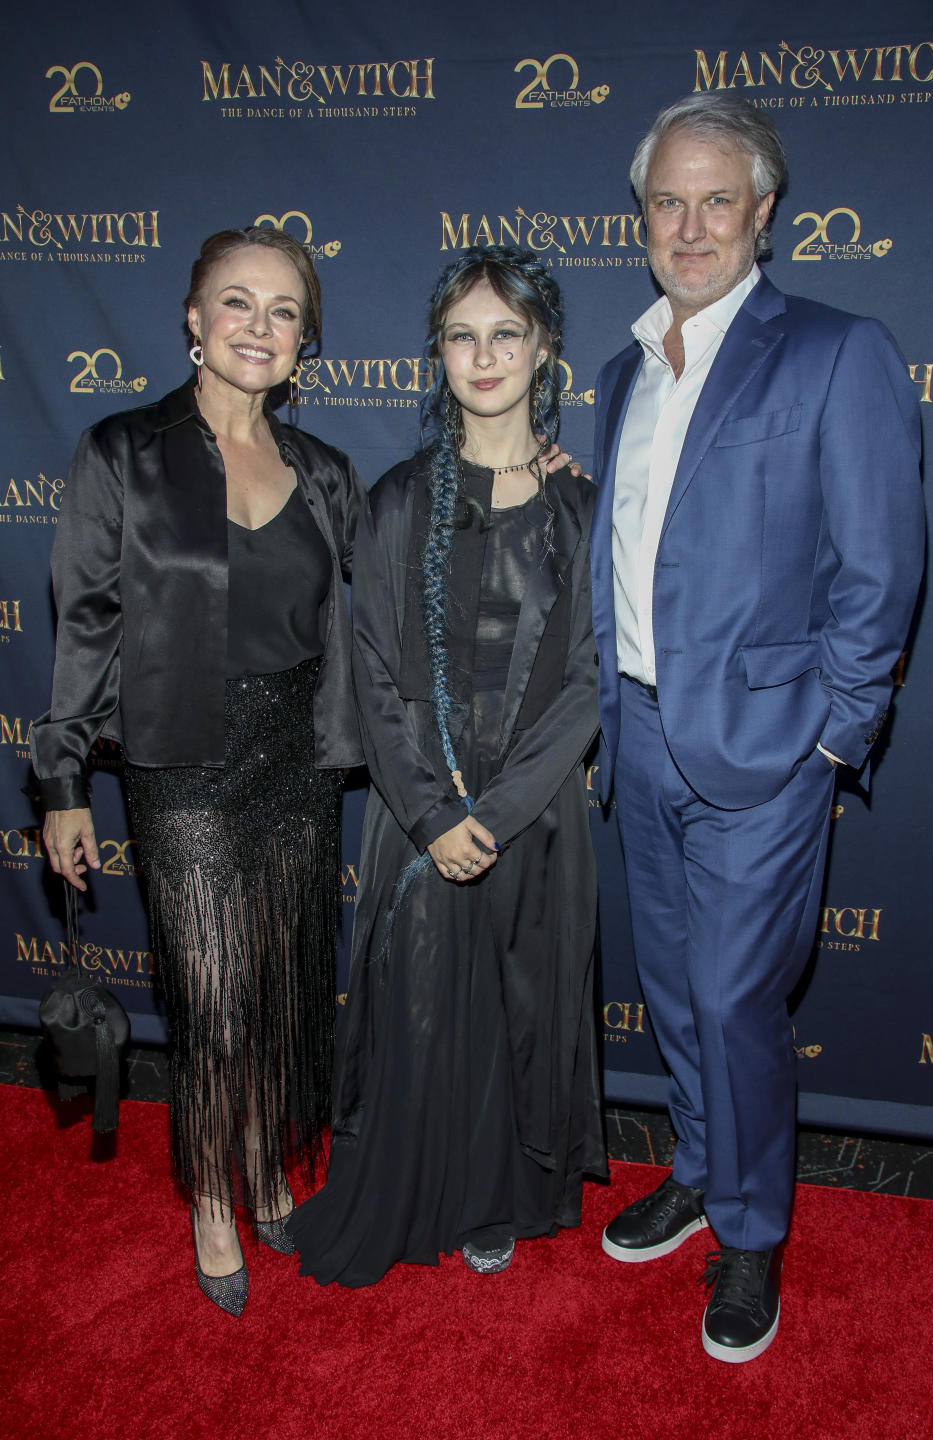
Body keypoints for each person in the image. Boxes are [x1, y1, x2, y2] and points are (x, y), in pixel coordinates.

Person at [590, 94, 924, 1362]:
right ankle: (694, 1163)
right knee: (675, 988)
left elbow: (880, 572)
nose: (690, 224)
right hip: (638, 729)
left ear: (765, 212)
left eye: (715, 198)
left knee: (736, 999)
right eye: (667, 200)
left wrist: (834, 739)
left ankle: (750, 1231)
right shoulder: (623, 369)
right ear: (644, 217)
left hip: (765, 749)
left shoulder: (839, 351)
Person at [32, 226, 365, 1317]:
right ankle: (213, 1203)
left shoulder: (323, 472)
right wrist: (65, 781)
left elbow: (376, 607)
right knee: (215, 1001)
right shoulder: (119, 451)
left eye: (282, 310)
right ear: (193, 318)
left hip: (297, 760)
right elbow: (83, 625)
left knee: (276, 988)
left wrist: (527, 470)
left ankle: (268, 1167)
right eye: (238, 303)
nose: (259, 327)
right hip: (184, 764)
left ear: (305, 337)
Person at [288, 244, 607, 1286]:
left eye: (505, 333)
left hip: (537, 807)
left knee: (520, 1002)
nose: (484, 355)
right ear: (439, 352)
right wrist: (433, 813)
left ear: (543, 349)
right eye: (462, 335)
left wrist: (504, 809)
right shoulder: (395, 501)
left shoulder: (581, 508)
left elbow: (592, 679)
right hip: (417, 805)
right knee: (422, 996)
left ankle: (499, 1195)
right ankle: (416, 1177)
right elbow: (369, 672)